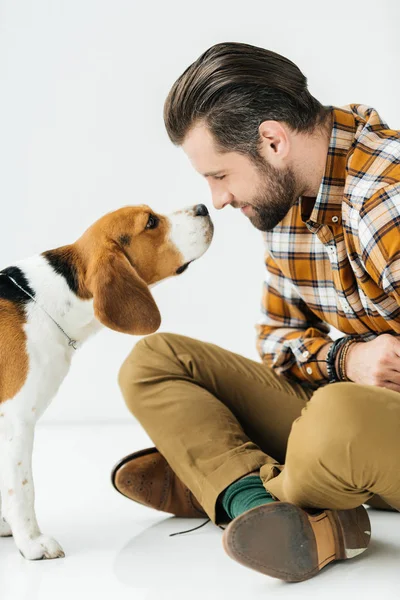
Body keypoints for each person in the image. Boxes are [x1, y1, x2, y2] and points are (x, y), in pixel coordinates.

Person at [111, 42, 400, 583]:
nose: (217, 200)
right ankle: (262, 504)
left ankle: (229, 481)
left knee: (336, 419)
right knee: (153, 360)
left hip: (363, 430)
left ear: (273, 140)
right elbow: (276, 340)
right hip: (344, 420)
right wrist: (348, 358)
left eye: (220, 176)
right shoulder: (288, 206)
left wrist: (357, 391)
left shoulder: (387, 201)